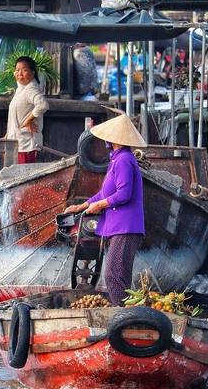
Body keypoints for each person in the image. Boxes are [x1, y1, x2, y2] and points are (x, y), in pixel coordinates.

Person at [64, 114, 146, 305]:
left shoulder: (125, 159)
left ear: (115, 139)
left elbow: (124, 194)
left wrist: (99, 206)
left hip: (126, 227)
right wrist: (82, 206)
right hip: (119, 227)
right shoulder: (116, 161)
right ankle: (127, 315)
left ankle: (124, 317)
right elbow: (103, 194)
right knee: (119, 277)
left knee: (113, 276)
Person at [5, 56, 49, 164]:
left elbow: (43, 105)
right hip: (17, 143)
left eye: (24, 70)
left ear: (32, 73)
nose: (20, 73)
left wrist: (28, 120)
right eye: (17, 70)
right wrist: (8, 135)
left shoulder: (31, 89)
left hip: (27, 144)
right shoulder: (20, 89)